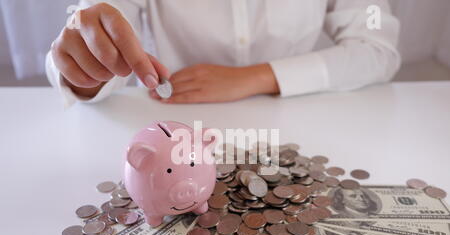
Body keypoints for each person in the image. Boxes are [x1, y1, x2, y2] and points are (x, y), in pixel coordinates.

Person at [46, 0, 401, 107]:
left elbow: (377, 50)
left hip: (301, 123)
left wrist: (257, 76)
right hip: (174, 124)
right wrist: (85, 71)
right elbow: (94, 25)